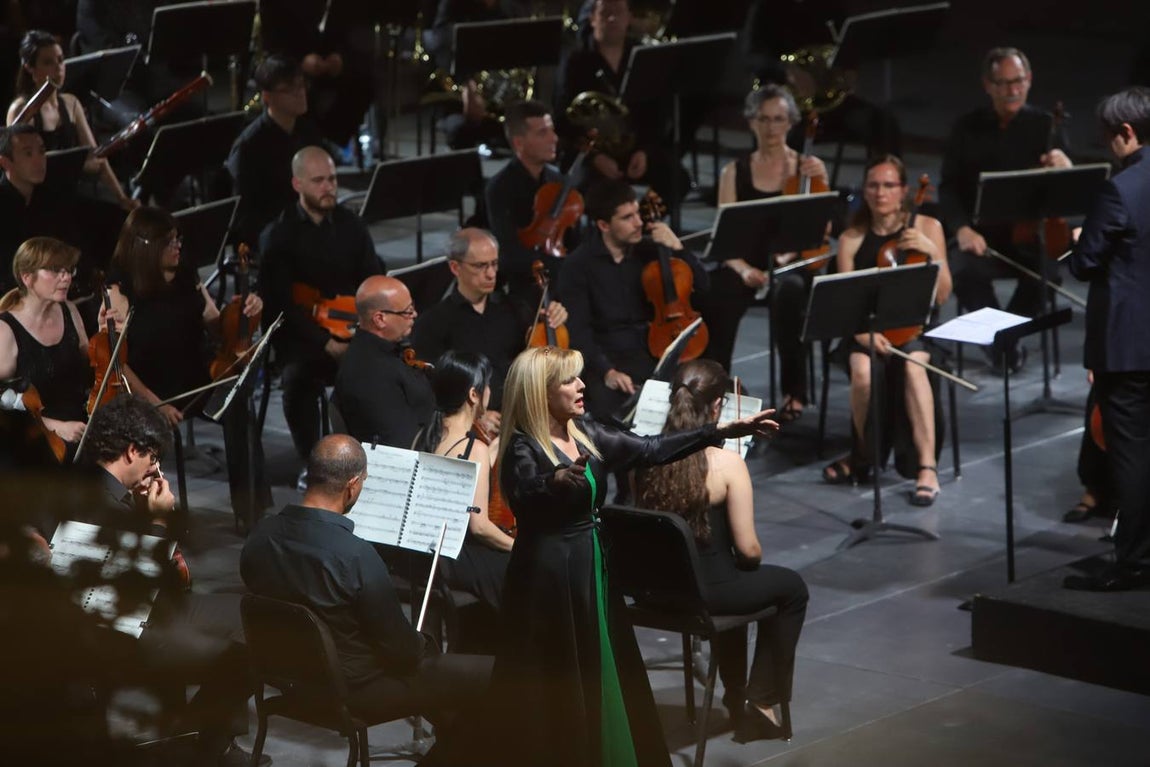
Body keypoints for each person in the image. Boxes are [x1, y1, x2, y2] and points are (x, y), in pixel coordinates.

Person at [428, 346, 777, 767]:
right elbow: (526, 490)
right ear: (541, 392)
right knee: (558, 683)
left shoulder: (584, 432)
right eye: (569, 380)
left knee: (604, 667)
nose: (581, 386)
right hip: (549, 580)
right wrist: (555, 481)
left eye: (579, 376)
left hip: (590, 567)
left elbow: (650, 449)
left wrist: (718, 432)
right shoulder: (522, 446)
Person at [241, 434, 493, 732]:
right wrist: (426, 644)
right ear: (353, 485)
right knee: (491, 673)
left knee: (445, 692)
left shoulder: (260, 536)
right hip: (358, 690)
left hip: (292, 682)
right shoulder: (355, 556)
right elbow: (402, 652)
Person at [81, 393, 265, 767]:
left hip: (150, 610)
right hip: (131, 631)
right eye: (152, 458)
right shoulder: (102, 505)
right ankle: (203, 738)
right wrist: (159, 523)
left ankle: (207, 738)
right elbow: (125, 595)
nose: (155, 467)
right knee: (254, 640)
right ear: (132, 451)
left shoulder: (93, 483)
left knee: (256, 616)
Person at [633, 358, 808, 741]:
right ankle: (759, 700)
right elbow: (749, 552)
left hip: (657, 595)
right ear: (717, 409)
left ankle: (736, 696)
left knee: (736, 584)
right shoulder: (727, 464)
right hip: (708, 595)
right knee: (791, 587)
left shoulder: (644, 458)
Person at [106, 206, 271, 526]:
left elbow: (213, 323)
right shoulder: (119, 289)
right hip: (148, 388)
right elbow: (118, 363)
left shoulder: (186, 274)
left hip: (194, 377)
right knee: (144, 430)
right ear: (145, 245)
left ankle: (251, 511)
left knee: (238, 403)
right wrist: (156, 403)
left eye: (178, 239)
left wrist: (243, 311)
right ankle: (149, 517)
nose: (178, 246)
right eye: (170, 241)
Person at [825, 155, 950, 504]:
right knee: (862, 370)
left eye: (889, 185)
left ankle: (926, 466)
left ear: (904, 191)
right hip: (867, 329)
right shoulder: (852, 238)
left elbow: (942, 294)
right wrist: (862, 334)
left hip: (918, 329)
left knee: (913, 366)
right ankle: (865, 455)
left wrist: (930, 254)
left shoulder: (928, 228)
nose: (881, 193)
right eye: (874, 185)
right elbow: (847, 301)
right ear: (864, 191)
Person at [938, 47, 1072, 373]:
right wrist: (962, 230)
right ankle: (1002, 341)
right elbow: (948, 188)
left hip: (1026, 235)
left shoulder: (1045, 126)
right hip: (978, 234)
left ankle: (1004, 339)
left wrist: (1065, 167)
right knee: (964, 271)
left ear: (1029, 81)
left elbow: (1068, 194)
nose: (1012, 90)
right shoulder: (966, 127)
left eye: (1018, 81)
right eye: (1003, 83)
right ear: (988, 85)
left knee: (1047, 274)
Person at [1065, 87, 1150, 592]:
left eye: (1108, 139)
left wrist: (1081, 240)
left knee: (1133, 455)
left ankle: (1134, 561)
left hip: (1129, 347)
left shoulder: (1121, 188)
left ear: (1126, 133)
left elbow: (1084, 263)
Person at [704, 84, 829, 420]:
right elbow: (724, 237)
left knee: (791, 294)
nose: (772, 127)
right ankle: (717, 387)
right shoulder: (734, 171)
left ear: (791, 123)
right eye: (764, 119)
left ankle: (794, 391)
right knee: (719, 292)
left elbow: (821, 231)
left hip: (791, 262)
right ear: (751, 123)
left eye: (779, 119)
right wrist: (744, 270)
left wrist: (822, 180)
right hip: (745, 262)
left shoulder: (808, 167)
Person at [258, 145, 383, 462]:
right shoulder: (279, 235)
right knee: (297, 379)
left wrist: (359, 332)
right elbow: (280, 305)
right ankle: (312, 464)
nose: (329, 187)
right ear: (297, 184)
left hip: (351, 327)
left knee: (382, 366)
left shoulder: (352, 226)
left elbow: (371, 281)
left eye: (332, 179)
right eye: (319, 181)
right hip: (303, 337)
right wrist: (326, 342)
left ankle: (367, 457)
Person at [559, 178, 708, 419]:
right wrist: (608, 371)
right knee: (611, 412)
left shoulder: (650, 251)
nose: (639, 223)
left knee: (699, 394)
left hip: (655, 352)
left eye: (638, 213)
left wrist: (678, 248)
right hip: (610, 359)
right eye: (627, 218)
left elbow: (703, 288)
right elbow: (579, 331)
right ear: (604, 225)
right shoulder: (578, 265)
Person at [411, 227, 568, 426]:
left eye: (494, 264)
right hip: (474, 425)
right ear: (455, 267)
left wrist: (555, 317)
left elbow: (540, 356)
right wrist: (473, 417)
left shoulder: (515, 309)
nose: (491, 274)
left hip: (521, 413)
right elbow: (428, 389)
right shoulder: (433, 323)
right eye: (480, 266)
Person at [411, 351, 512, 634]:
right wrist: (519, 547)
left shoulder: (425, 435)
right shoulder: (474, 448)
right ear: (473, 394)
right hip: (456, 557)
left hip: (426, 551)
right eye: (487, 386)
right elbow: (479, 527)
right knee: (529, 569)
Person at [555, 0, 672, 198]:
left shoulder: (642, 56)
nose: (612, 18)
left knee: (675, 179)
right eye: (605, 13)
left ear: (629, 18)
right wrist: (595, 157)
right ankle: (609, 227)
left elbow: (656, 115)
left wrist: (644, 152)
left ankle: (639, 221)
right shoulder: (576, 60)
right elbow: (562, 119)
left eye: (618, 12)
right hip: (588, 153)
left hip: (634, 150)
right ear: (592, 18)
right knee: (593, 189)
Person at [6, 29, 134, 209]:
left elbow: (97, 158)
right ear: (30, 68)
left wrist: (122, 199)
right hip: (38, 198)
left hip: (71, 191)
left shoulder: (71, 103)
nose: (58, 68)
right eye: (48, 62)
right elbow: (17, 168)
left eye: (60, 60)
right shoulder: (21, 109)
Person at [0, 237, 92, 452]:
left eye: (69, 270)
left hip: (80, 427)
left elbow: (92, 368)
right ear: (27, 278)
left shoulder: (69, 311)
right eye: (55, 270)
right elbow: (3, 408)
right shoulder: (5, 330)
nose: (66, 277)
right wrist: (55, 427)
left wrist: (108, 333)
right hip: (32, 440)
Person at [225, 55, 323, 250]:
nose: (301, 93)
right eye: (291, 89)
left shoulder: (307, 131)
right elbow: (246, 217)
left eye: (302, 85)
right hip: (274, 236)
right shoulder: (248, 146)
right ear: (267, 97)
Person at [483, 100, 574, 303]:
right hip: (525, 288)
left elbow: (574, 239)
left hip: (565, 279)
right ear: (519, 143)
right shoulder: (499, 188)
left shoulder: (560, 181)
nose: (554, 139)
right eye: (543, 133)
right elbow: (509, 255)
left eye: (552, 130)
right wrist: (561, 266)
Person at [333, 275, 435, 448]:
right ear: (380, 319)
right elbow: (402, 443)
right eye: (408, 311)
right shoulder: (370, 375)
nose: (415, 315)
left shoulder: (383, 350)